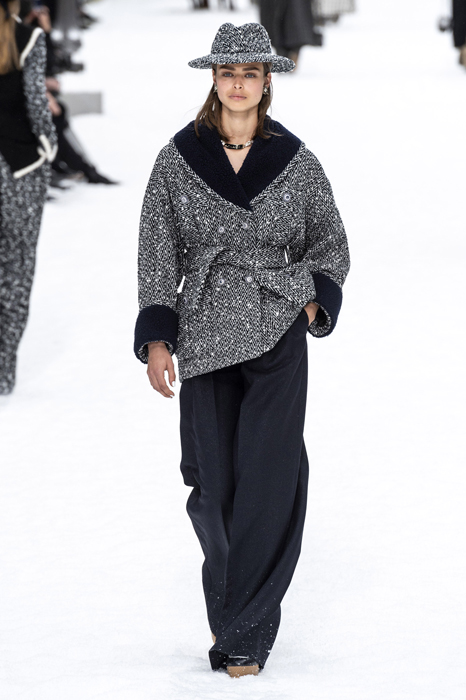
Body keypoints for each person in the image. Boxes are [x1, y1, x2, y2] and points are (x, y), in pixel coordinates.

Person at [134, 22, 350, 677]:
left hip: (277, 328)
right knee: (212, 484)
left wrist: (311, 302)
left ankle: (246, 633)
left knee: (270, 476)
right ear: (214, 78)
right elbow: (157, 251)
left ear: (266, 81)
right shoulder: (177, 158)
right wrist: (157, 337)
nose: (237, 84)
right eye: (228, 73)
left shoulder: (297, 160)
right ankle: (229, 608)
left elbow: (331, 244)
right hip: (204, 333)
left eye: (250, 73)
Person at [0, 0, 57, 394]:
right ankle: (3, 372)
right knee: (17, 271)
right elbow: (37, 104)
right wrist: (48, 147)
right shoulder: (28, 37)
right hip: (20, 167)